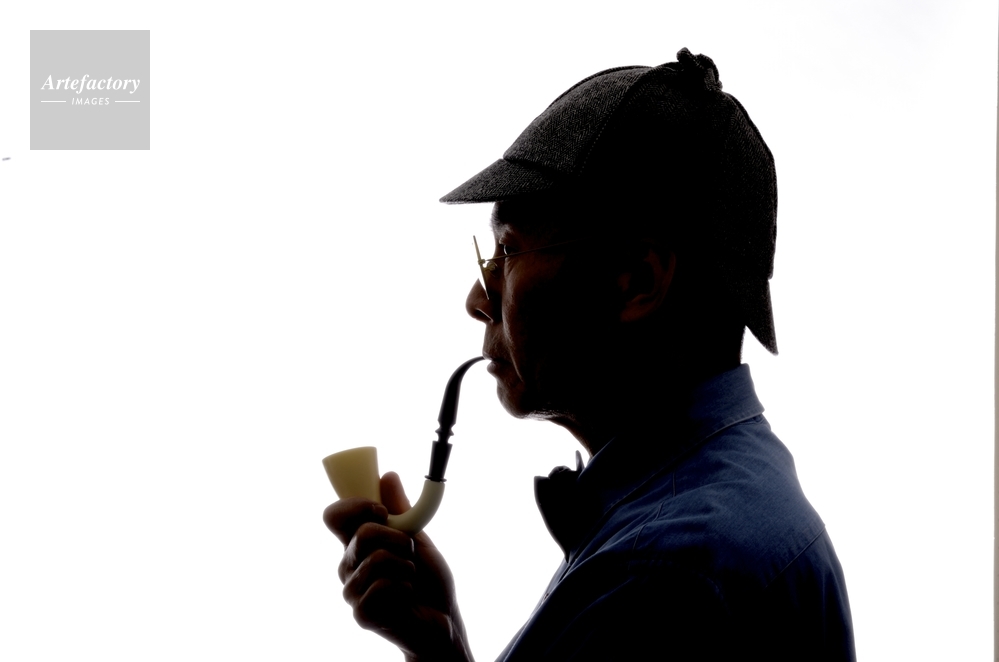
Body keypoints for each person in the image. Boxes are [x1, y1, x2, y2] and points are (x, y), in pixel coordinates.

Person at [324, 49, 855, 661]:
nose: (477, 298)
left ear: (635, 282)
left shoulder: (659, 575)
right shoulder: (721, 497)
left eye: (508, 252)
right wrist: (441, 647)